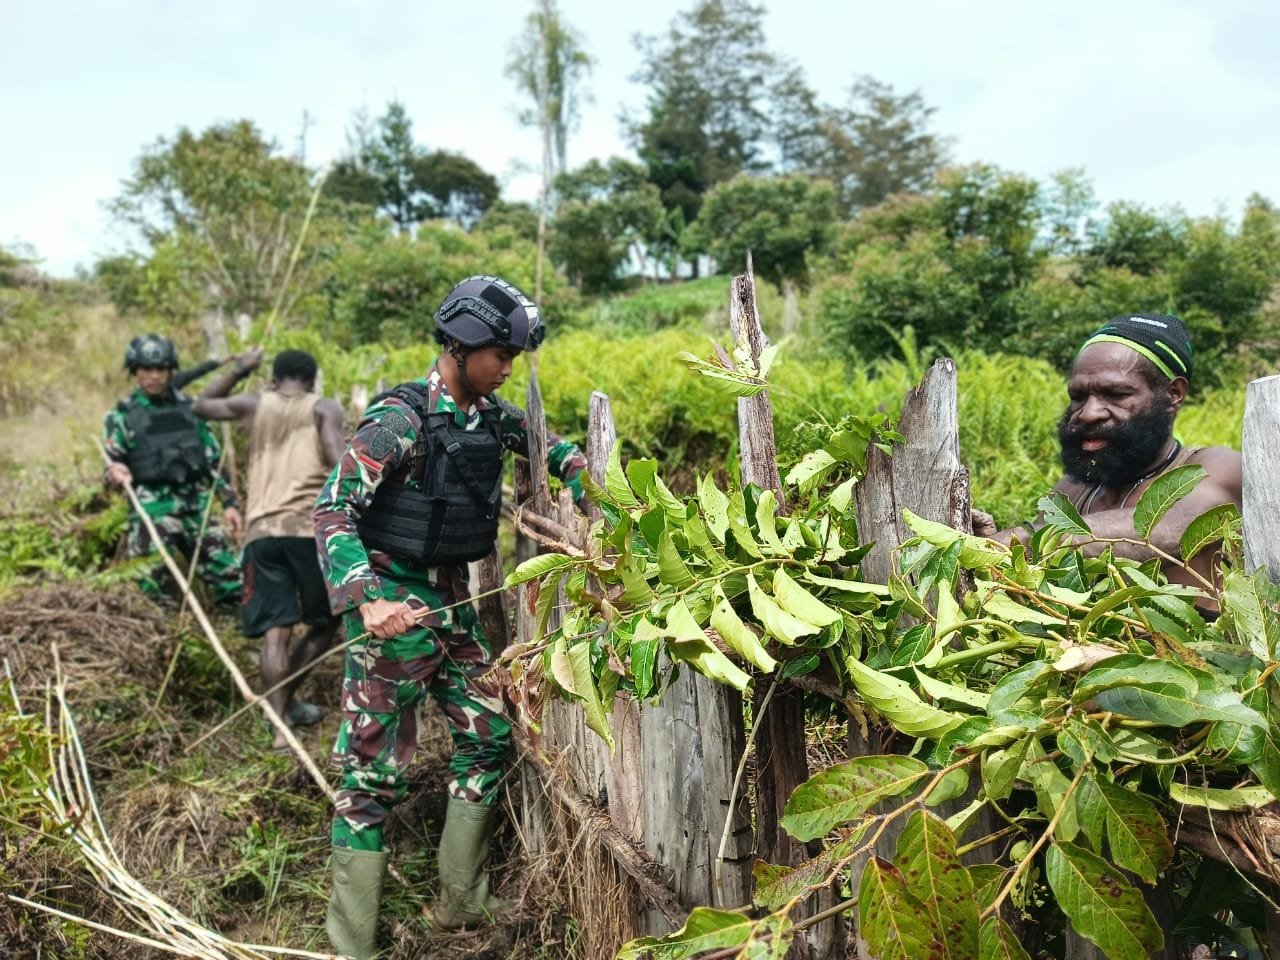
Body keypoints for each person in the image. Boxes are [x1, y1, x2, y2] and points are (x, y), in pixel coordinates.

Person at [314, 275, 587, 958]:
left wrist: (587, 479)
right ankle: (352, 943)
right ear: (462, 345)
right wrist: (367, 597)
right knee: (371, 776)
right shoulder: (399, 421)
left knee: (491, 731)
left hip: (448, 606)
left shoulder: (486, 417)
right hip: (393, 610)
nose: (507, 367)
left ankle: (461, 901)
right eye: (500, 354)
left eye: (511, 356)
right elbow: (332, 510)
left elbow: (548, 448)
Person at [975, 313, 1242, 595]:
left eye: (1115, 394)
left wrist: (1012, 543)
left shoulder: (1214, 468)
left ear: (1173, 393)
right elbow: (1035, 576)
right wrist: (989, 546)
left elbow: (1177, 527)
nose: (1088, 413)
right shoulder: (1072, 491)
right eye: (1078, 397)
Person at [194, 347, 346, 749]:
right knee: (328, 620)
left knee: (276, 633)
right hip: (307, 530)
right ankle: (285, 705)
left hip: (261, 534)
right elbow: (338, 461)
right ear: (312, 380)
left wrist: (240, 366)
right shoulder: (323, 407)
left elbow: (202, 405)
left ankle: (281, 724)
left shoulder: (253, 403)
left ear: (275, 379)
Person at [103, 333, 243, 606]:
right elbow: (111, 460)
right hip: (152, 508)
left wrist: (229, 503)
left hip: (196, 506)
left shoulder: (191, 409)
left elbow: (213, 460)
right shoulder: (122, 415)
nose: (154, 376)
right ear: (135, 372)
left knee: (232, 579)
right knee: (151, 586)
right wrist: (116, 473)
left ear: (170, 371)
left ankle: (236, 633)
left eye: (161, 369)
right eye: (147, 369)